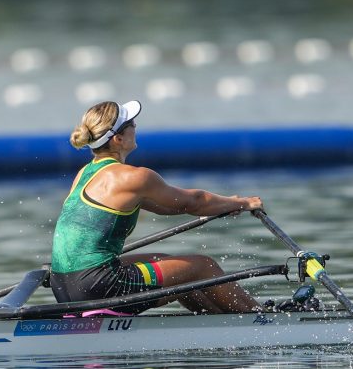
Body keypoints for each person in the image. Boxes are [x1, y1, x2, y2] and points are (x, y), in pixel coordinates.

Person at [50, 100, 263, 315]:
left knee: (169, 264)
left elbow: (170, 207)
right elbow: (194, 202)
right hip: (99, 285)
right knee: (203, 266)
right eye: (131, 123)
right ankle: (260, 319)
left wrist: (222, 206)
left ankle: (216, 321)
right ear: (118, 139)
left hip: (64, 285)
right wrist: (243, 202)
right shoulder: (133, 177)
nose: (136, 126)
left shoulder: (85, 174)